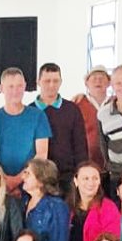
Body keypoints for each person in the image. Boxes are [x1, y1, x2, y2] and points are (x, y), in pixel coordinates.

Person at [0, 67, 51, 197]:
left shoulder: (38, 116)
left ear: (24, 86)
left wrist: (18, 180)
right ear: (1, 88)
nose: (15, 91)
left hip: (31, 186)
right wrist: (5, 181)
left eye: (19, 86)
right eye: (10, 86)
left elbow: (42, 154)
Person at [34, 63, 88, 195]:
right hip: (39, 178)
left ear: (61, 82)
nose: (51, 85)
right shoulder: (30, 111)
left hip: (68, 178)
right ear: (38, 82)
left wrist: (80, 175)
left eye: (55, 81)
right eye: (47, 81)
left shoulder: (72, 110)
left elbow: (80, 147)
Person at [19, 159, 70, 241]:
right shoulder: (24, 200)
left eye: (28, 174)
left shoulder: (57, 206)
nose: (22, 177)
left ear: (41, 180)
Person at [66, 162, 121, 241]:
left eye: (95, 178)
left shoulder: (108, 208)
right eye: (85, 178)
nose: (90, 182)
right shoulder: (67, 207)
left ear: (100, 181)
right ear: (76, 181)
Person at [72, 65, 110, 169]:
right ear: (86, 83)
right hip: (85, 162)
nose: (98, 81)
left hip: (113, 162)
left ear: (109, 82)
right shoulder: (77, 104)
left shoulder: (115, 103)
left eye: (102, 78)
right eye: (94, 78)